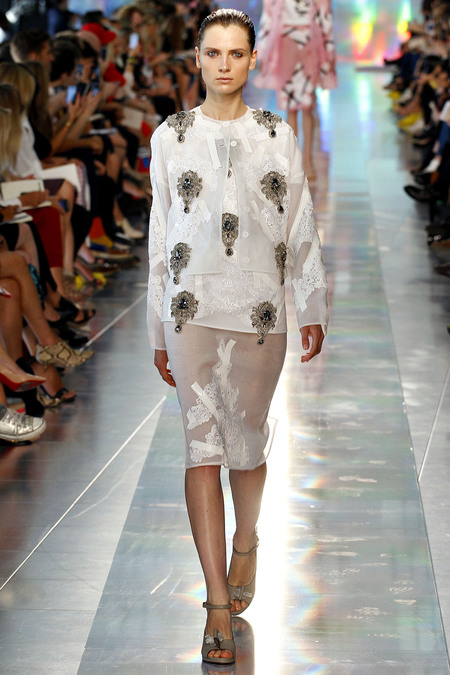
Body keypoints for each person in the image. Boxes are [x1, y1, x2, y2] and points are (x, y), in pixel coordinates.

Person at [147, 8, 328, 666]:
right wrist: (156, 323)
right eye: (213, 53)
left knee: (245, 445)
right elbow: (160, 229)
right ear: (197, 59)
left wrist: (310, 302)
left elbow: (299, 219)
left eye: (236, 53)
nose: (224, 64)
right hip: (190, 305)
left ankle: (244, 540)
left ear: (253, 59)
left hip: (259, 309)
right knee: (201, 447)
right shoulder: (170, 136)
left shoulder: (277, 134)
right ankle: (217, 603)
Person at [254, 0, 337, 181]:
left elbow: (324, 17)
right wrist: (262, 51)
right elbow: (268, 18)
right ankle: (294, 162)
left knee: (308, 105)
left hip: (310, 44)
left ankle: (308, 160)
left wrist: (329, 51)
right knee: (291, 107)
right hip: (286, 44)